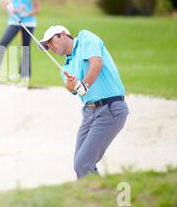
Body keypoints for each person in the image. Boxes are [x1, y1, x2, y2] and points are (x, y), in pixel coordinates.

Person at [39, 25, 129, 179]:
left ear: (63, 34)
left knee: (83, 162)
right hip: (89, 113)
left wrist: (84, 84)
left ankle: (98, 198)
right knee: (79, 163)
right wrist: (71, 84)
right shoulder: (66, 67)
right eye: (47, 46)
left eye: (50, 42)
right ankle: (94, 197)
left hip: (111, 108)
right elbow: (73, 89)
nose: (50, 47)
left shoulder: (85, 38)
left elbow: (96, 63)